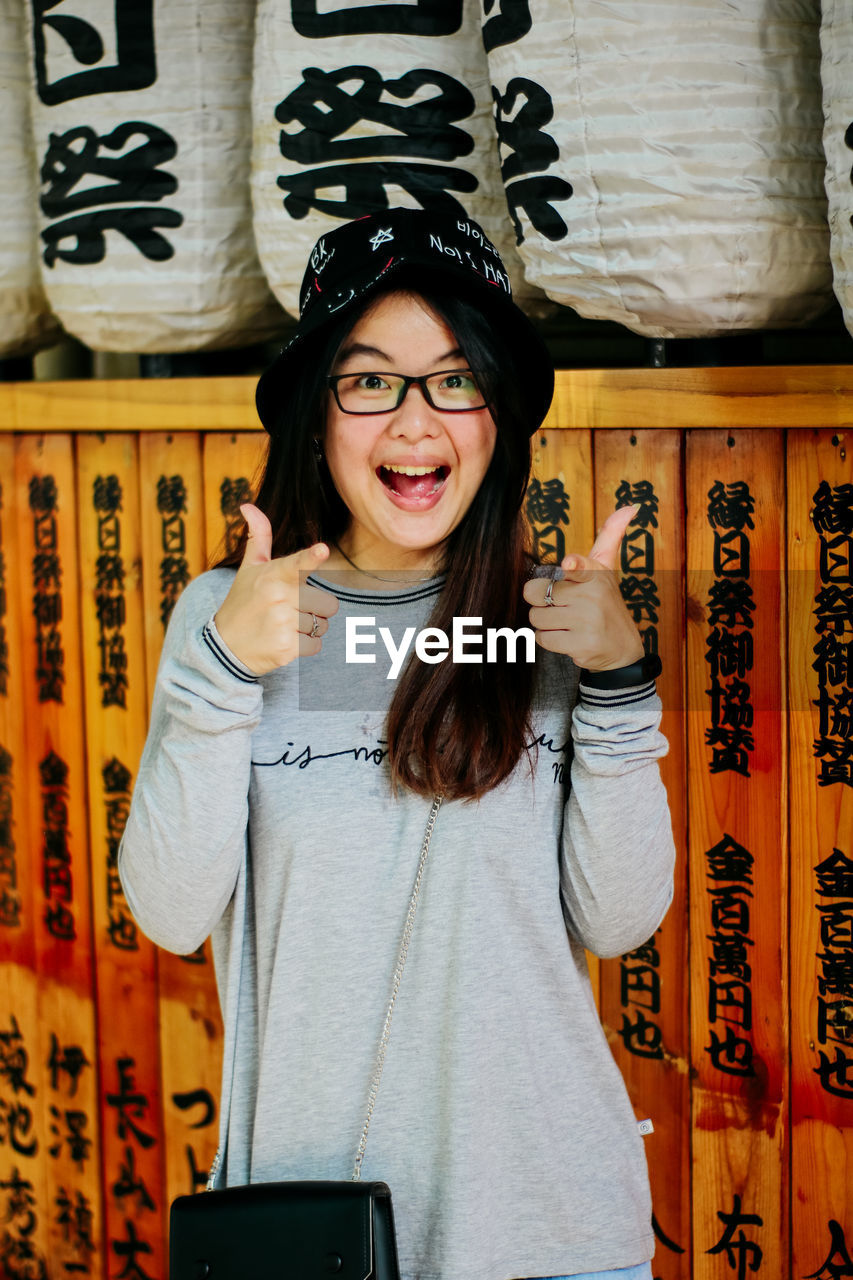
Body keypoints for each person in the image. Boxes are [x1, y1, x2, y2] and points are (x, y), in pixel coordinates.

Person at [119, 207, 675, 1280]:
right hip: (313, 1233)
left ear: (497, 416)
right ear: (316, 413)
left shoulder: (554, 621)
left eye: (455, 378)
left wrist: (616, 682)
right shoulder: (228, 616)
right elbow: (171, 909)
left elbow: (617, 920)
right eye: (370, 380)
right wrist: (223, 676)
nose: (416, 423)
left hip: (551, 1229)